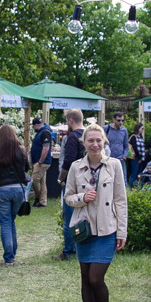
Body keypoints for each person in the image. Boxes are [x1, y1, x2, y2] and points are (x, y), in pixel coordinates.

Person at [63, 125, 127, 302]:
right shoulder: (75, 167)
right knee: (85, 279)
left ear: (104, 142)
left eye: (98, 140)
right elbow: (68, 197)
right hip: (84, 230)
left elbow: (120, 200)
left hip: (107, 229)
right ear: (84, 143)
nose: (95, 144)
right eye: (90, 140)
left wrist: (122, 231)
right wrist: (82, 198)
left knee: (95, 278)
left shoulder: (114, 165)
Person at [0, 124, 30, 265]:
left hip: (2, 190)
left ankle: (9, 257)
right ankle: (12, 253)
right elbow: (27, 168)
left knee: (5, 222)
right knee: (11, 220)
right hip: (18, 189)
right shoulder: (21, 150)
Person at [53, 109, 86, 261]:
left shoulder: (73, 137)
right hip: (88, 183)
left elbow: (69, 160)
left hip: (73, 182)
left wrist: (61, 178)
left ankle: (69, 251)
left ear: (71, 121)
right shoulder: (89, 136)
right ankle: (84, 248)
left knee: (69, 218)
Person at [29, 117, 53, 207]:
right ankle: (42, 202)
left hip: (42, 162)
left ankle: (38, 198)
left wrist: (40, 161)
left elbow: (46, 148)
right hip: (41, 161)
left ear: (35, 125)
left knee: (34, 180)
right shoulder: (42, 132)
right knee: (42, 182)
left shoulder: (45, 133)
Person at [104, 112, 130, 181]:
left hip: (120, 159)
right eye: (118, 120)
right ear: (114, 120)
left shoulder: (124, 130)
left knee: (123, 179)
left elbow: (126, 145)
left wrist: (124, 156)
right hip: (109, 158)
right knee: (108, 178)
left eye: (122, 120)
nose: (120, 122)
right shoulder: (106, 128)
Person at [126, 122, 146, 187]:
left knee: (139, 174)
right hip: (135, 158)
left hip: (141, 157)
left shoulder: (141, 137)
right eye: (142, 128)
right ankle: (132, 187)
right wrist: (139, 157)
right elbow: (134, 147)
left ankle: (137, 186)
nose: (142, 130)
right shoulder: (134, 137)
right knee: (134, 173)